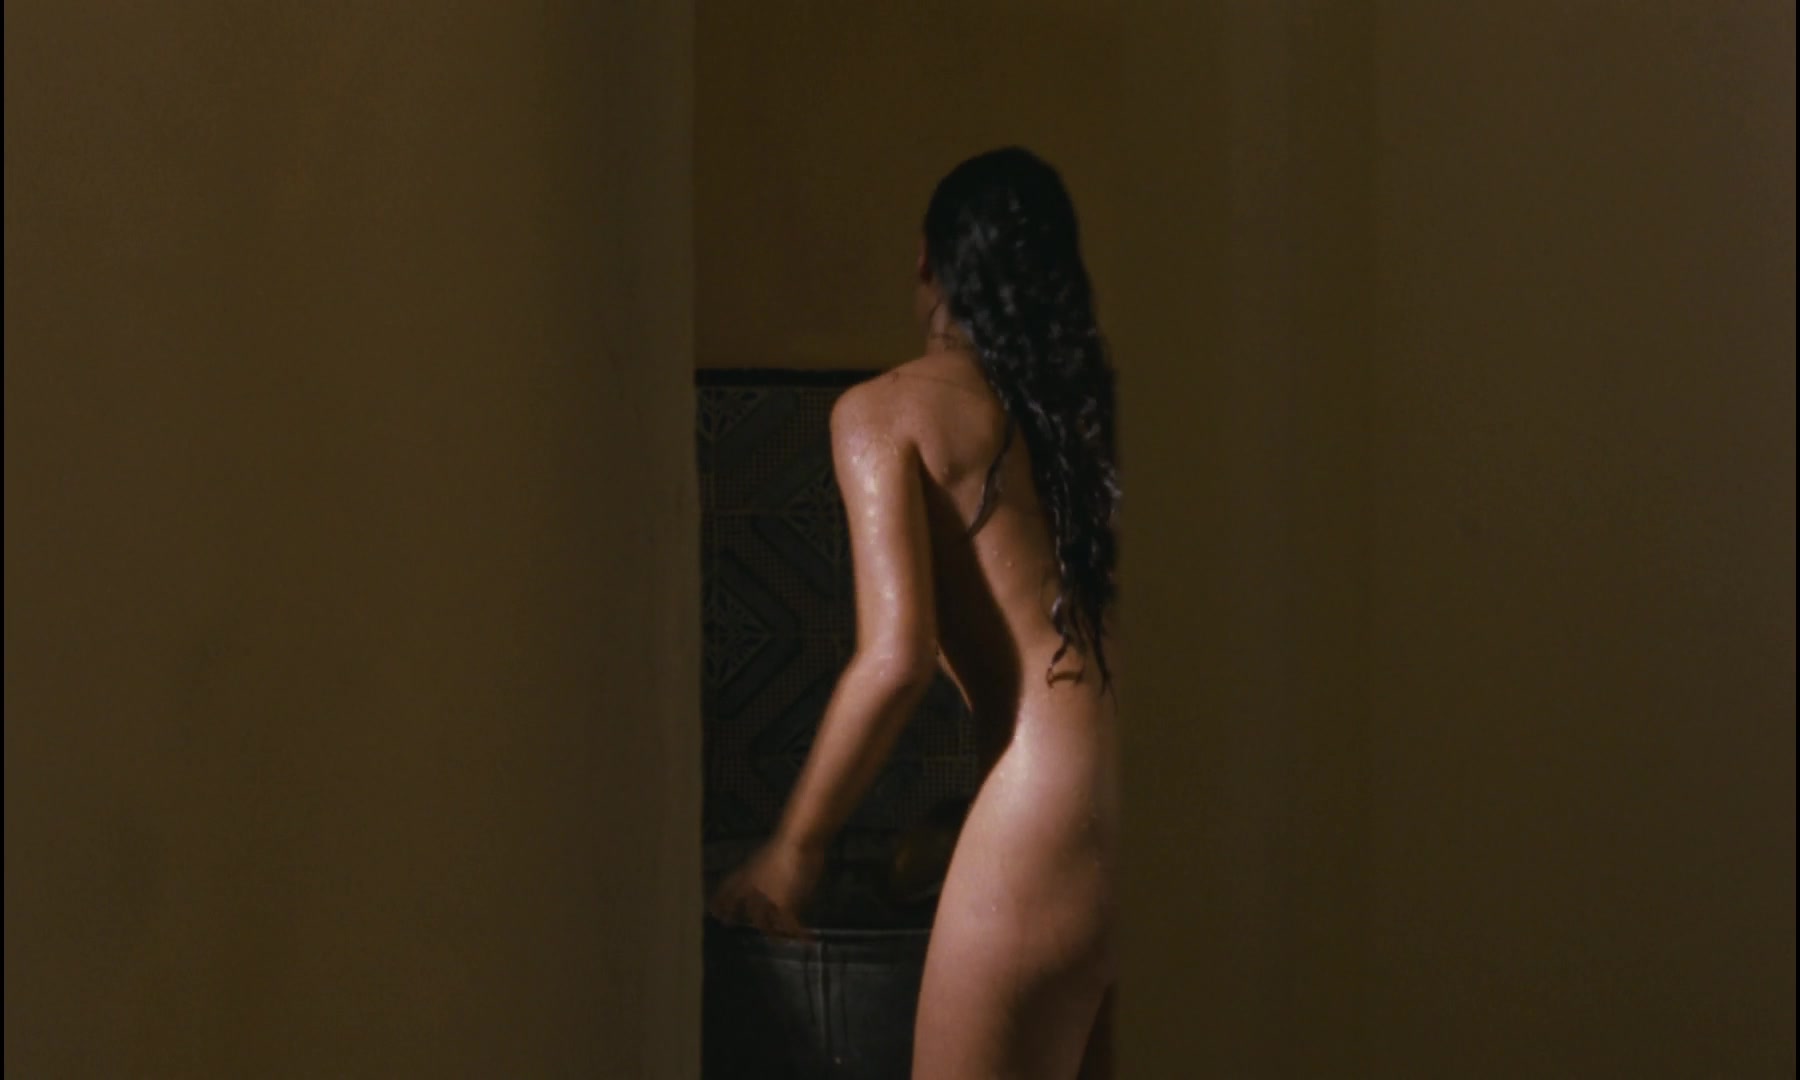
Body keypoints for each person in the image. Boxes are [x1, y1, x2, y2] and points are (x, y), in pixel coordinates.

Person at [709, 147, 1120, 1079]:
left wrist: (793, 852)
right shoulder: (1088, 420)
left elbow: (896, 657)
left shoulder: (885, 413)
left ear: (928, 261)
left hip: (1051, 804)